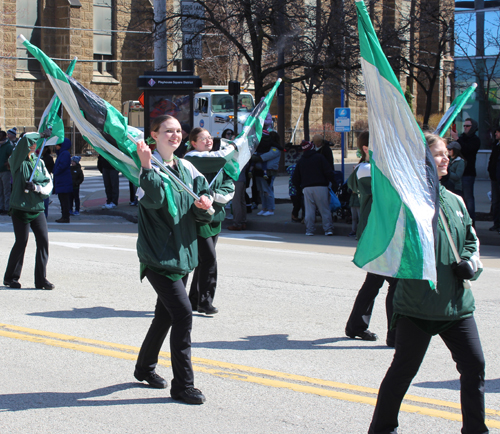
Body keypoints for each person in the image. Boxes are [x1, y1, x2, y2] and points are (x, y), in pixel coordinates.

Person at [368, 133, 487, 434]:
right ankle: (382, 428)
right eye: (438, 154)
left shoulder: (456, 201)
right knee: (402, 372)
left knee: (474, 367)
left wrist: (470, 264)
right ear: (422, 162)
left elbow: (471, 240)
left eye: (446, 153)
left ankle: (476, 430)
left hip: (456, 308)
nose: (446, 158)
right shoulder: (408, 205)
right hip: (417, 308)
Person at [133, 115, 213, 405]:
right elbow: (152, 199)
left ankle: (144, 368)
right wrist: (145, 165)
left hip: (183, 256)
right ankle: (183, 386)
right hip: (159, 259)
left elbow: (203, 207)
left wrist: (205, 205)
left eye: (178, 131)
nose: (175, 135)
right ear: (154, 135)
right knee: (183, 314)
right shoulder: (146, 168)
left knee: (164, 316)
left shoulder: (187, 169)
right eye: (168, 131)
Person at [345, 131, 398, 345]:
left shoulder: (374, 169)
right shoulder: (366, 170)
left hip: (381, 232)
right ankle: (395, 334)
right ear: (367, 149)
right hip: (376, 234)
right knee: (396, 283)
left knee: (374, 282)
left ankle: (356, 326)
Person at [184, 127, 235, 314]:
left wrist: (213, 196)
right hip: (198, 218)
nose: (208, 141)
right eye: (203, 138)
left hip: (215, 217)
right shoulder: (189, 160)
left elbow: (229, 188)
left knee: (203, 261)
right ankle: (205, 302)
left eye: (209, 138)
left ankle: (194, 299)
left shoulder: (219, 163)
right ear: (193, 143)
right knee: (209, 259)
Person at [3, 132, 54, 290]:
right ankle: (11, 277)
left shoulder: (39, 163)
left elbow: (49, 184)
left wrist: (37, 188)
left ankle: (41, 279)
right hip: (20, 208)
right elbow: (26, 140)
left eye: (36, 142)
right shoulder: (17, 160)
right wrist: (40, 134)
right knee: (21, 242)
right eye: (31, 142)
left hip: (37, 208)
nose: (34, 144)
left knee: (43, 241)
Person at [292, 140, 336, 236]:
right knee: (324, 209)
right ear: (312, 147)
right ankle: (328, 229)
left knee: (309, 210)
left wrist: (299, 189)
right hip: (321, 186)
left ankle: (309, 229)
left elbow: (295, 178)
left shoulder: (301, 161)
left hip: (307, 188)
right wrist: (333, 182)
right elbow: (328, 172)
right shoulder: (320, 158)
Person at [451, 118, 481, 223]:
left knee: (468, 199)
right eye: (464, 125)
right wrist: (455, 138)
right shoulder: (462, 137)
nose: (465, 128)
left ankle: (471, 223)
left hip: (468, 173)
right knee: (459, 198)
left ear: (473, 128)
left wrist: (457, 139)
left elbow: (467, 149)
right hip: (458, 173)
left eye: (467, 126)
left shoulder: (475, 140)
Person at [252, 118, 281, 216]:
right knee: (261, 191)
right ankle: (264, 208)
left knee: (267, 190)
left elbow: (264, 157)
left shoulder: (275, 149)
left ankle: (271, 209)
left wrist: (255, 157)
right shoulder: (268, 148)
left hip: (269, 172)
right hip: (259, 171)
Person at [52, 138, 73, 223]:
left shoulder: (64, 153)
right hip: (61, 180)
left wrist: (56, 171)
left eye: (58, 144)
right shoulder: (61, 153)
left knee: (64, 200)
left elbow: (62, 165)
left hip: (63, 180)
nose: (56, 146)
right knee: (62, 199)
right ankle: (64, 216)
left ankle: (65, 216)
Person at [227, 161, 249, 231]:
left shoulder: (236, 156)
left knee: (236, 202)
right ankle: (243, 222)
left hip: (236, 179)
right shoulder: (244, 154)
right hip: (242, 179)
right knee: (241, 201)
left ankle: (237, 224)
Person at [487, 127, 500, 232]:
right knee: (495, 202)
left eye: (498, 132)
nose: (496, 133)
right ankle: (496, 223)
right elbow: (492, 160)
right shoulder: (496, 145)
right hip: (495, 178)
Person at [0, 130, 14, 215]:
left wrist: (8, 162)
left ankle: (7, 207)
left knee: (6, 190)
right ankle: (1, 207)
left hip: (5, 171)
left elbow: (13, 156)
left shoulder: (8, 146)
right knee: (0, 191)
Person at [41, 146, 54, 218]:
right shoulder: (40, 157)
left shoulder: (48, 158)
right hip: (42, 178)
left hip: (46, 178)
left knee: (45, 197)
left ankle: (44, 214)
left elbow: (51, 168)